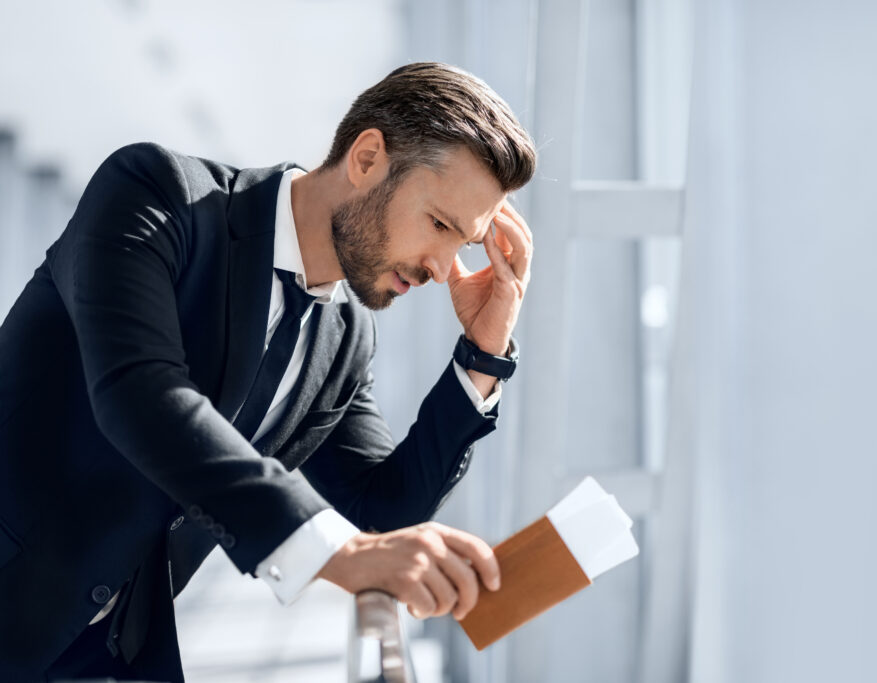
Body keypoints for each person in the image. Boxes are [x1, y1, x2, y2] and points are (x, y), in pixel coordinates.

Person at [0, 62, 535, 681]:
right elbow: (142, 395)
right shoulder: (159, 194)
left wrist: (483, 352)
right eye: (439, 225)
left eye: (463, 244)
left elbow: (381, 514)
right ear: (366, 159)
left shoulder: (345, 338)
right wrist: (335, 553)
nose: (443, 267)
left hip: (114, 649)